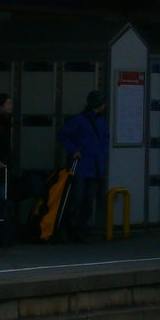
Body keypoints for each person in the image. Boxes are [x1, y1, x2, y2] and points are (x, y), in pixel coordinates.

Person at [57, 90, 109, 243]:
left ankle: (79, 230)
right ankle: (70, 230)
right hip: (82, 167)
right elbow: (63, 135)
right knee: (78, 199)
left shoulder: (99, 121)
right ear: (98, 104)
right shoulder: (81, 120)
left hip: (93, 167)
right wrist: (74, 150)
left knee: (87, 200)